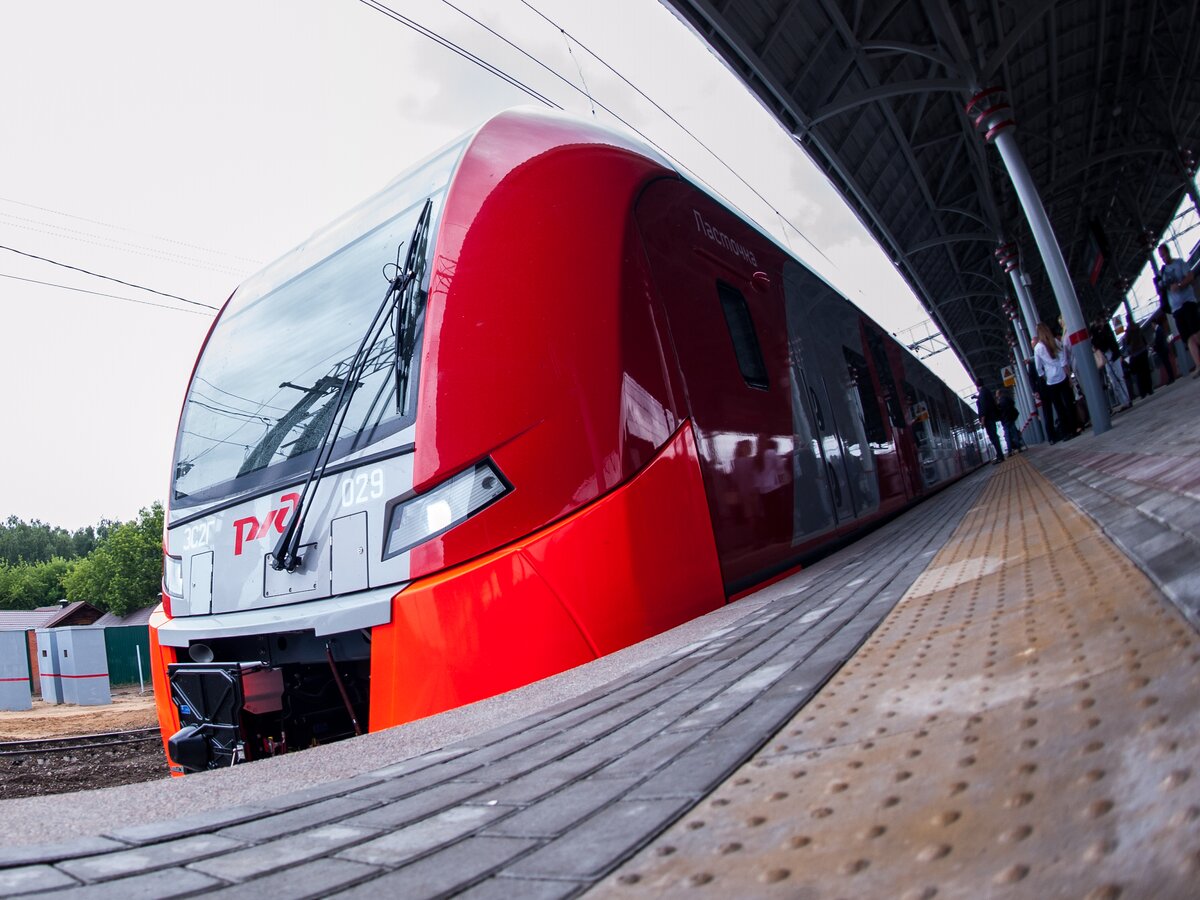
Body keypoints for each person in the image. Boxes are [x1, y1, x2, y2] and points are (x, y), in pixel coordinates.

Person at [1157, 243, 1200, 377]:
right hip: (1176, 308)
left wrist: (1180, 285)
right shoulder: (1162, 272)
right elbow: (1163, 287)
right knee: (1187, 337)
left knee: (1196, 332)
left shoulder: (1180, 263)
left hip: (1188, 302)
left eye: (1164, 255)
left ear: (1168, 252)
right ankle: (1199, 364)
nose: (1163, 258)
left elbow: (1190, 276)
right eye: (1161, 256)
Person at [1034, 322, 1082, 439]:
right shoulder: (1055, 342)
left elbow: (1038, 367)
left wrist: (1044, 376)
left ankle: (1065, 433)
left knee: (1058, 407)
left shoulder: (1037, 348)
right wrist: (1068, 374)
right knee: (1069, 403)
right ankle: (1074, 428)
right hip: (1062, 376)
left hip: (1051, 380)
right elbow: (1064, 360)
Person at [1121, 314, 1153, 399]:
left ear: (1127, 320)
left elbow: (1127, 342)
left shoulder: (1128, 330)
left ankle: (1143, 393)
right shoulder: (1137, 326)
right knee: (1146, 371)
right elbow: (1143, 337)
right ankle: (1150, 389)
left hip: (1135, 354)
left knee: (1139, 374)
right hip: (1143, 350)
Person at [976, 387, 1005, 464]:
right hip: (992, 418)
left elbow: (983, 409)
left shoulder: (982, 394)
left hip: (988, 420)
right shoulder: (987, 392)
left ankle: (1000, 456)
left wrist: (982, 421)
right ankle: (1000, 455)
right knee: (994, 436)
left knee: (993, 437)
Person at [996, 388, 1024, 453]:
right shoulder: (1007, 398)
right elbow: (1013, 403)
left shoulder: (999, 403)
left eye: (996, 394)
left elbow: (998, 412)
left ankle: (1010, 451)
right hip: (1011, 418)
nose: (996, 395)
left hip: (1004, 420)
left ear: (999, 394)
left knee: (1007, 436)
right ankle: (1019, 447)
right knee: (1014, 433)